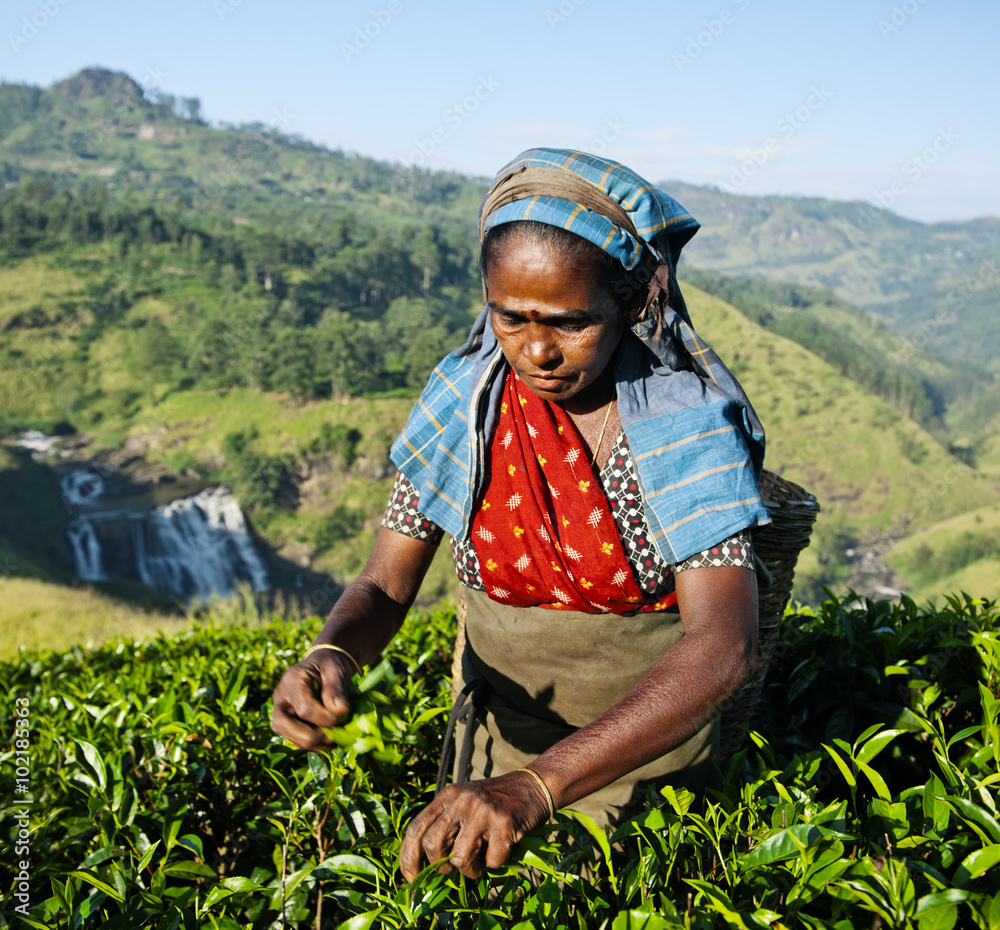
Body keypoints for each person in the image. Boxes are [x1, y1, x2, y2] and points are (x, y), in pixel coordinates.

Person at [270, 148, 770, 882]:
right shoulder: (464, 409)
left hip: (643, 756)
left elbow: (724, 645)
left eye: (570, 323)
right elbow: (383, 585)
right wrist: (333, 653)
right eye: (511, 317)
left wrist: (541, 785)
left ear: (631, 305)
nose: (537, 350)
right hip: (496, 753)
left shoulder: (685, 428)